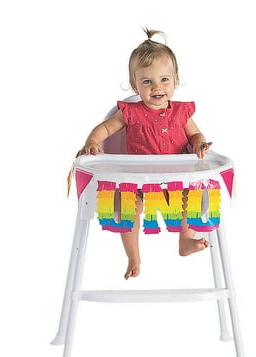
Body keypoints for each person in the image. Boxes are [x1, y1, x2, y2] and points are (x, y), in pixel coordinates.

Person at [77, 28, 213, 279]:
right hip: (137, 185)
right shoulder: (130, 113)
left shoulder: (181, 113)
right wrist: (92, 142)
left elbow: (195, 135)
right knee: (123, 205)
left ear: (175, 80)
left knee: (197, 196)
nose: (157, 87)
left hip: (177, 183)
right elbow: (106, 128)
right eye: (147, 82)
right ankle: (133, 256)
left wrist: (199, 144)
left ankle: (185, 240)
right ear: (135, 85)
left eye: (164, 79)